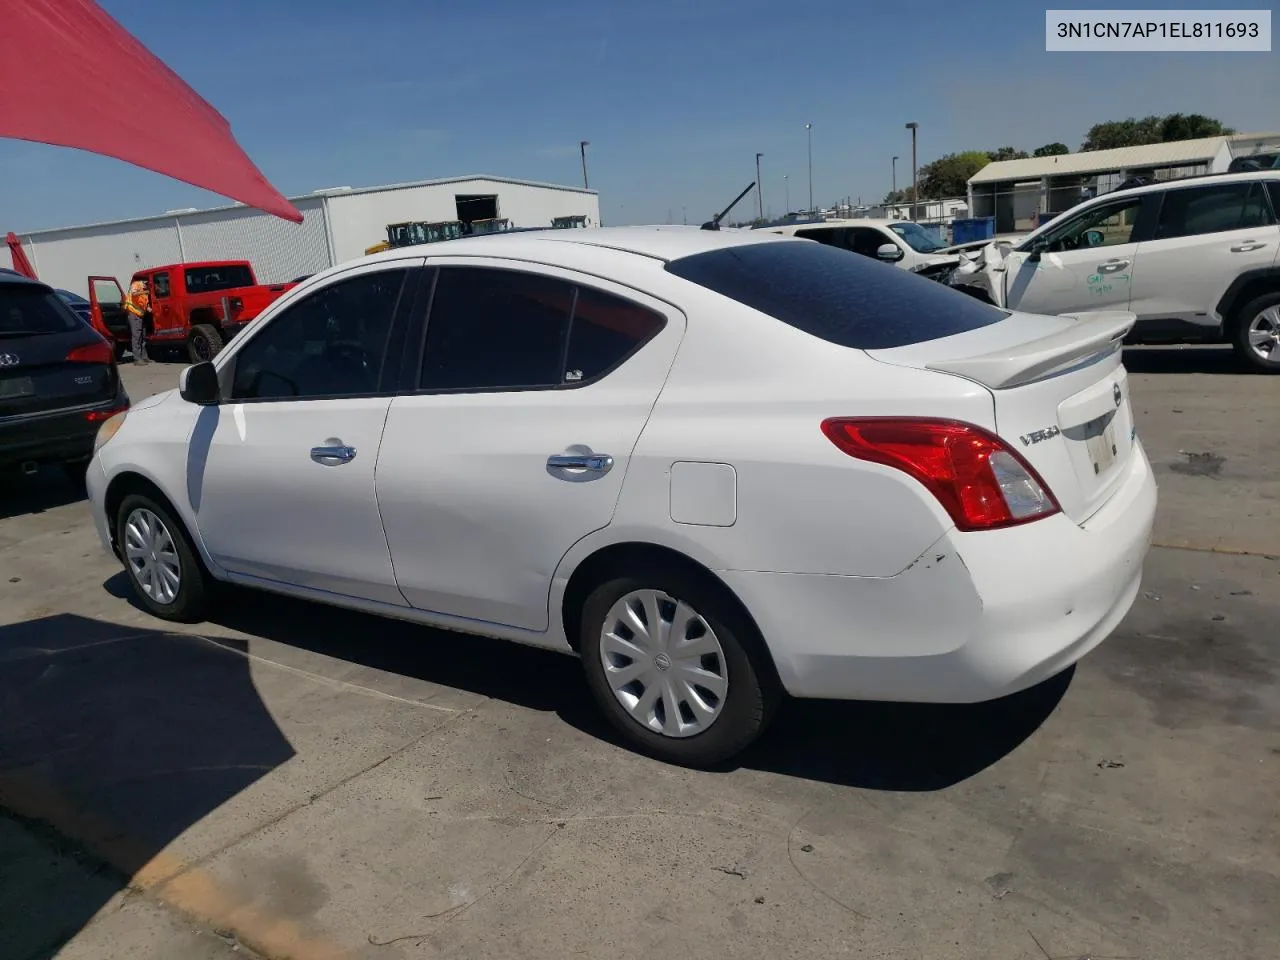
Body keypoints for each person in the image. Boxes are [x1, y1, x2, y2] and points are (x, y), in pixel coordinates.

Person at [123, 279, 150, 365]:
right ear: (145, 283)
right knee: (136, 336)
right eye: (148, 285)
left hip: (140, 314)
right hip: (133, 313)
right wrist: (144, 291)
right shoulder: (136, 285)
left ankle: (144, 357)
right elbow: (134, 294)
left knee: (143, 336)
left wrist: (149, 309)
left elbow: (144, 303)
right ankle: (137, 359)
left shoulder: (144, 290)